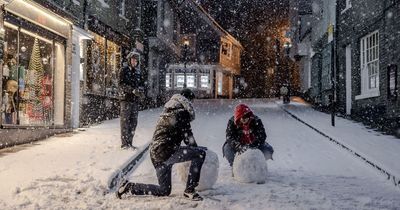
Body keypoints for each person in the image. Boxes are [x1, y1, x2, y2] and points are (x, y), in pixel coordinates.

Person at [116, 89, 206, 201]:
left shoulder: (168, 111)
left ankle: (129, 187)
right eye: (192, 101)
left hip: (156, 154)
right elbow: (188, 138)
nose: (192, 104)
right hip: (167, 151)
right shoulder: (181, 112)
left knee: (164, 190)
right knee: (200, 154)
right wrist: (197, 149)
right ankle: (190, 190)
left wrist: (194, 148)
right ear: (187, 100)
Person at [119, 50, 144, 149]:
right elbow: (121, 85)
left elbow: (141, 84)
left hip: (135, 101)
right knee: (125, 122)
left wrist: (140, 91)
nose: (134, 62)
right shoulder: (123, 70)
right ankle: (124, 144)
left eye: (136, 61)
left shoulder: (138, 72)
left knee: (133, 122)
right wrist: (132, 90)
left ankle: (130, 142)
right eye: (133, 60)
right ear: (129, 60)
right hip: (125, 100)